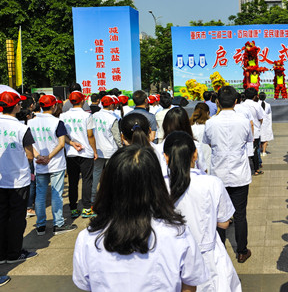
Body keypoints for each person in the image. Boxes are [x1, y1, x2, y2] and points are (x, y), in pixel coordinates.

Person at [72, 145, 209, 291]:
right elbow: (189, 285)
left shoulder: (89, 238)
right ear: (156, 183)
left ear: (108, 184)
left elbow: (85, 284)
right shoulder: (177, 233)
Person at [165, 131, 241, 292]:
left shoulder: (157, 185)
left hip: (169, 260)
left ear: (166, 157)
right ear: (195, 154)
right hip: (208, 258)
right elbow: (224, 223)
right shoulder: (211, 183)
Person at [202, 86, 253, 264]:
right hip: (239, 174)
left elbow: (207, 142)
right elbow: (248, 141)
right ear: (236, 101)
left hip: (219, 174)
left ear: (217, 102)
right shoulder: (244, 121)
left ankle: (220, 250)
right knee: (240, 214)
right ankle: (241, 251)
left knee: (219, 215)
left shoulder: (210, 122)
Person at [28, 95, 77, 236]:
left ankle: (41, 225)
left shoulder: (30, 122)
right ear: (54, 106)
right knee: (56, 194)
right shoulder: (57, 122)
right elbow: (61, 144)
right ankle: (58, 224)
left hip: (39, 163)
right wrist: (48, 157)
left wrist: (39, 157)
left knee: (40, 195)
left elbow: (29, 144)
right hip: (55, 163)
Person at [0, 91, 39, 263]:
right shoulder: (22, 128)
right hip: (18, 180)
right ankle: (14, 253)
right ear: (16, 106)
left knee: (1, 216)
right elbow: (30, 155)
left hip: (1, 179)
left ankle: (1, 254)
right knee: (16, 218)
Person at [60, 91, 98, 219]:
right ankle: (87, 208)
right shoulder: (87, 116)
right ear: (82, 101)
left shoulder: (63, 116)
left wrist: (70, 143)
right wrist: (95, 150)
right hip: (86, 152)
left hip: (71, 152)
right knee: (87, 180)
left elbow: (62, 135)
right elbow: (90, 135)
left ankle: (73, 209)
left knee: (73, 181)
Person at [91, 95, 122, 206]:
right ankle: (111, 197)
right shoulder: (112, 118)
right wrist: (121, 148)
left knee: (96, 174)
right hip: (110, 150)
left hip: (97, 149)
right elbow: (116, 136)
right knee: (111, 175)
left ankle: (93, 197)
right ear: (111, 104)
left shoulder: (93, 115)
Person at [241, 88, 263, 175]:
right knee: (255, 150)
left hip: (243, 130)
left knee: (244, 150)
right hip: (255, 131)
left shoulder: (241, 105)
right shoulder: (256, 105)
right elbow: (261, 118)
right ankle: (256, 169)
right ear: (255, 96)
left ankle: (246, 168)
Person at [191, 102, 212, 173]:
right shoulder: (210, 126)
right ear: (208, 112)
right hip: (209, 159)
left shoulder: (191, 127)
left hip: (195, 161)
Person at [259, 92, 273, 156]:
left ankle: (260, 151)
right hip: (265, 123)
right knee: (265, 137)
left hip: (260, 123)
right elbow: (269, 114)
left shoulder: (257, 104)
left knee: (259, 137)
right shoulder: (268, 105)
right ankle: (264, 151)